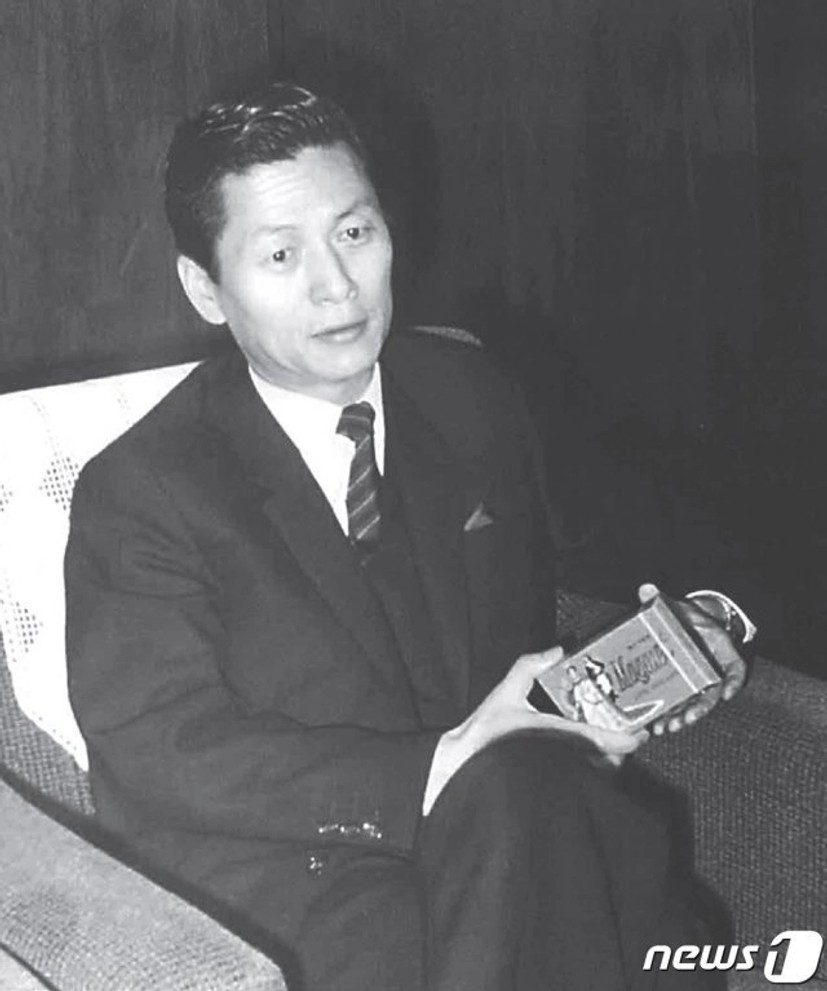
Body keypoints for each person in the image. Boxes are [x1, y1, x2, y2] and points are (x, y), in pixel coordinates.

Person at [65, 82, 745, 991]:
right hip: (316, 883)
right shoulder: (145, 487)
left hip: (533, 829)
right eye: (280, 254)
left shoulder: (470, 393)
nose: (336, 284)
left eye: (353, 232)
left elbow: (620, 540)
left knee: (564, 838)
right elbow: (161, 749)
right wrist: (440, 766)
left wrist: (697, 627)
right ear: (205, 289)